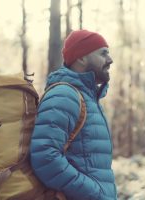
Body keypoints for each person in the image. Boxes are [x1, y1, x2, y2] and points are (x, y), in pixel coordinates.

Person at [30, 30, 117, 200]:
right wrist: (95, 194)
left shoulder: (89, 99)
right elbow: (45, 156)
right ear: (81, 58)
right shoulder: (64, 95)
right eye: (103, 53)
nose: (110, 59)